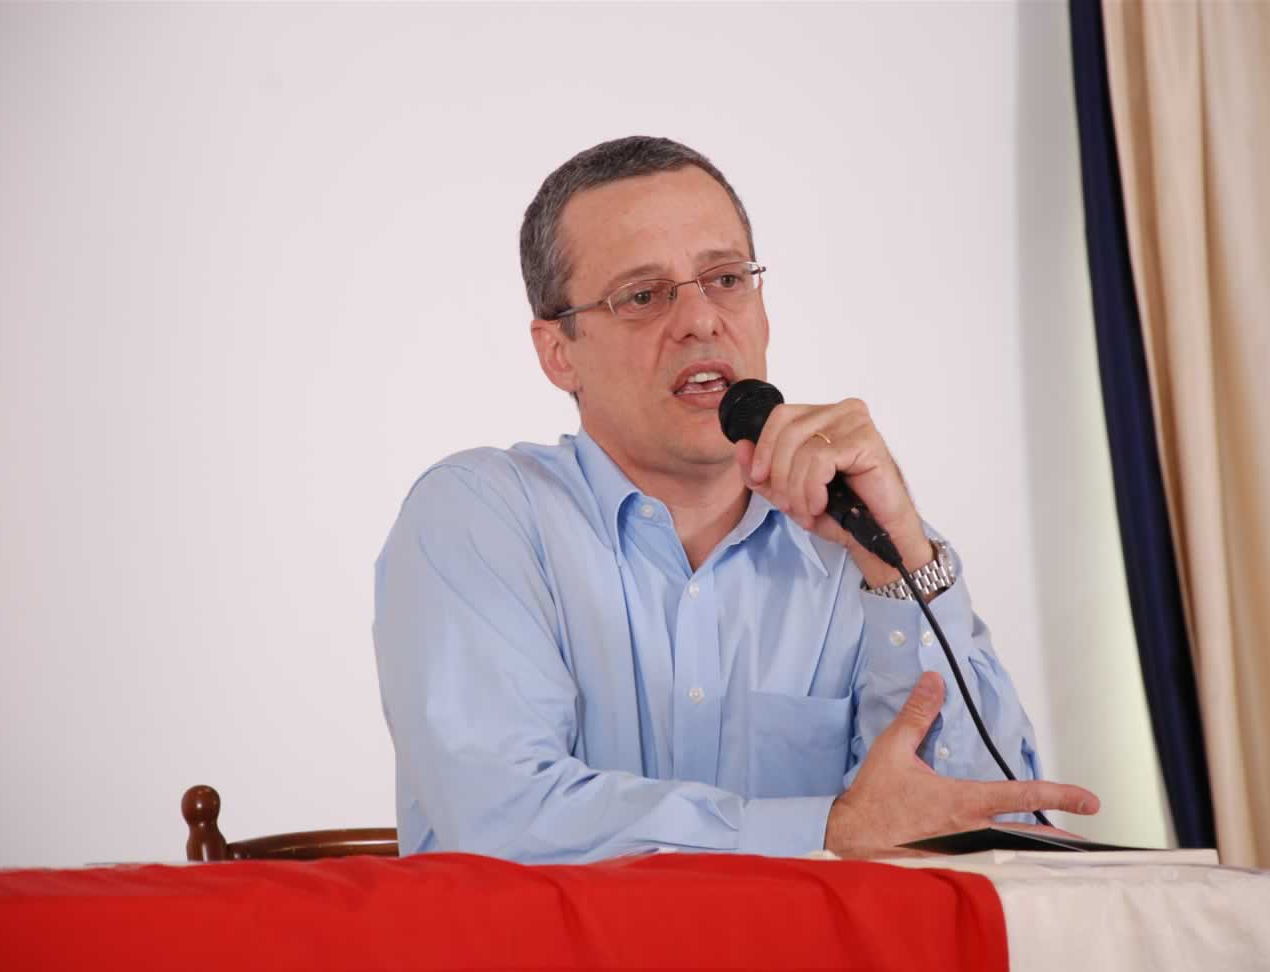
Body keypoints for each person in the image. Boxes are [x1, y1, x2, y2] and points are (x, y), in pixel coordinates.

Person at [373, 136, 1099, 863]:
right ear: (558, 352)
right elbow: (502, 820)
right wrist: (827, 830)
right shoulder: (480, 517)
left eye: (725, 279)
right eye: (643, 296)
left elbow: (989, 839)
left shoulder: (858, 540)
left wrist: (904, 563)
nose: (700, 320)